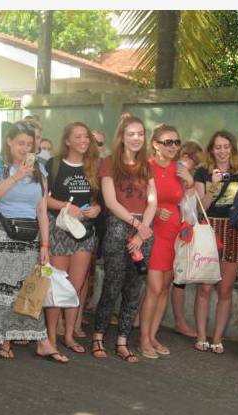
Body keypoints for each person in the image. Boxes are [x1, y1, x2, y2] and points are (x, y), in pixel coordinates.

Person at [0, 121, 64, 362]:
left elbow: (42, 209)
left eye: (29, 144)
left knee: (28, 289)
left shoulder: (40, 169)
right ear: (9, 142)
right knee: (3, 289)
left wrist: (45, 245)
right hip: (0, 233)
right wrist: (16, 176)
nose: (25, 149)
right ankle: (4, 338)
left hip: (29, 236)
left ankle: (41, 341)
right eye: (20, 143)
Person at [91, 113, 156, 363]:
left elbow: (152, 201)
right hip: (119, 226)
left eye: (140, 134)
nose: (136, 138)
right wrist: (137, 225)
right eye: (131, 134)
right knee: (112, 284)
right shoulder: (110, 163)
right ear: (122, 137)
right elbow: (110, 202)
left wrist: (142, 230)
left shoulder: (147, 165)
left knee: (134, 288)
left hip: (143, 230)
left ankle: (122, 340)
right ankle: (98, 336)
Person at [43, 122, 102, 354]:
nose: (83, 140)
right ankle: (51, 337)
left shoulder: (94, 166)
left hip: (84, 232)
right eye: (77, 136)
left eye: (86, 136)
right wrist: (67, 207)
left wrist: (96, 209)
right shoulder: (54, 164)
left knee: (75, 287)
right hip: (59, 230)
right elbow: (44, 200)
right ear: (67, 141)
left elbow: (98, 200)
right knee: (57, 285)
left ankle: (68, 335)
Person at [138, 125, 194, 359]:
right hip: (153, 233)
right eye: (167, 142)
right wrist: (154, 209)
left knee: (164, 288)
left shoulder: (179, 168)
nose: (173, 146)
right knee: (153, 288)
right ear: (155, 144)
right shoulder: (145, 167)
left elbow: (190, 205)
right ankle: (143, 339)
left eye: (176, 142)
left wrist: (190, 182)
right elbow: (136, 198)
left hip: (174, 234)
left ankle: (153, 336)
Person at [193, 131, 238, 353]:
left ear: (232, 148)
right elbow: (200, 208)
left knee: (225, 290)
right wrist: (214, 185)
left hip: (233, 232)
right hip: (209, 230)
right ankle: (201, 336)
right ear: (211, 150)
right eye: (218, 147)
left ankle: (217, 338)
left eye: (226, 146)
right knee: (205, 288)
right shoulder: (202, 172)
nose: (222, 151)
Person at [170, 141, 203, 337]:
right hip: (168, 233)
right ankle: (139, 319)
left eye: (195, 163)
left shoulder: (188, 179)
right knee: (157, 280)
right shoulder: (173, 173)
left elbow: (190, 215)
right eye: (190, 159)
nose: (191, 165)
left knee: (177, 281)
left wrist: (190, 187)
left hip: (180, 235)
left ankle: (180, 322)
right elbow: (188, 214)